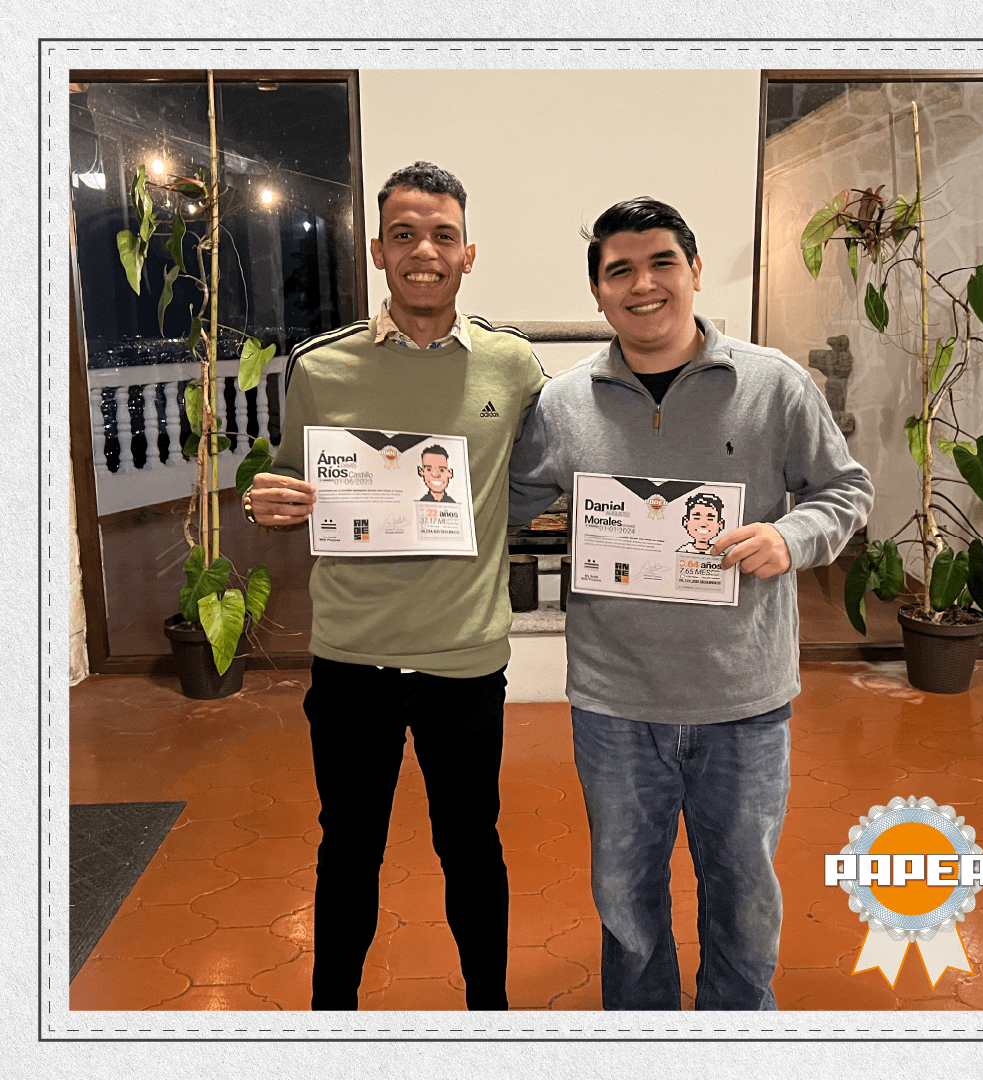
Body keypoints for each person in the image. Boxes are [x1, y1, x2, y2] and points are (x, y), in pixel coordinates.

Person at [509, 197, 873, 1011]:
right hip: (615, 704)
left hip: (743, 700)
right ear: (600, 294)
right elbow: (507, 501)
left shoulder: (773, 384)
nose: (644, 285)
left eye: (662, 262)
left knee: (743, 896)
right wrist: (380, 497)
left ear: (695, 271)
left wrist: (792, 538)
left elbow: (845, 491)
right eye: (620, 271)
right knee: (626, 901)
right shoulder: (565, 404)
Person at [244, 162, 547, 1011]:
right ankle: (329, 1020)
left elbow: (554, 462)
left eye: (443, 235)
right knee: (348, 852)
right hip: (351, 661)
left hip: (465, 661)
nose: (425, 252)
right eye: (406, 235)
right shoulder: (320, 368)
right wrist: (267, 502)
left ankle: (491, 1012)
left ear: (469, 253)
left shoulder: (513, 363)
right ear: (379, 250)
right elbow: (287, 486)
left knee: (471, 849)